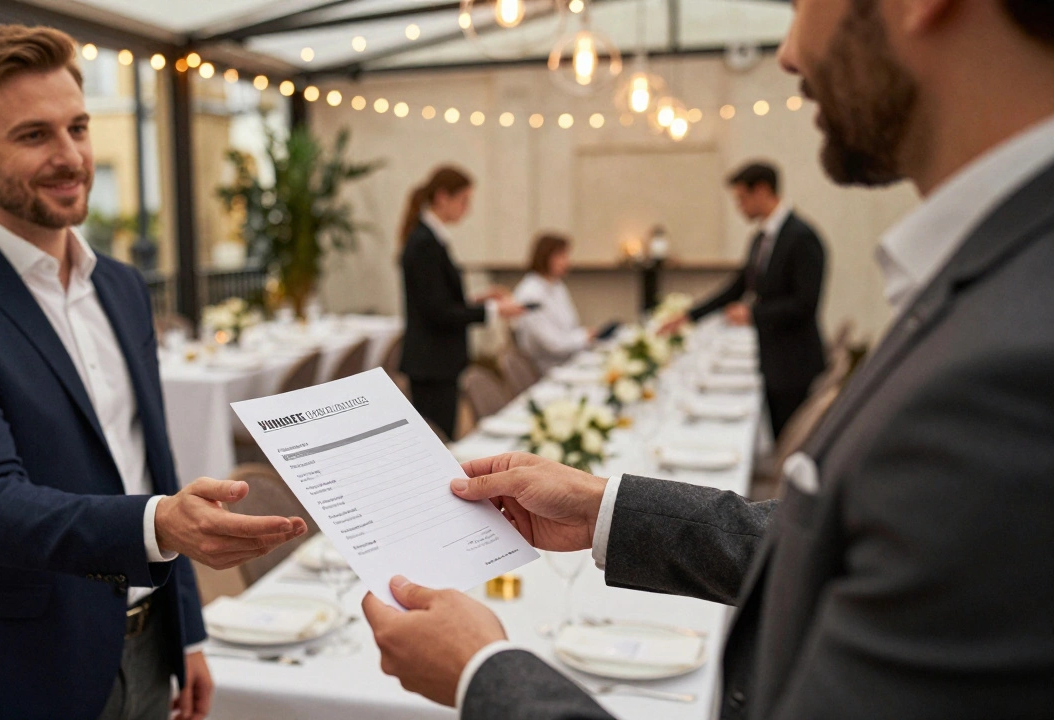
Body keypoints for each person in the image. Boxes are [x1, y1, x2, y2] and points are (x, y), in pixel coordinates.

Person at [363, 0, 1054, 718]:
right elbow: (848, 549)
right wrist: (607, 509)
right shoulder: (1004, 276)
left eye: (799, 4)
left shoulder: (1013, 370)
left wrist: (486, 675)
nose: (787, 52)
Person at [0, 26, 308, 720]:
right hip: (19, 669)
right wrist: (162, 524)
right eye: (35, 135)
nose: (71, 156)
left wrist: (187, 631)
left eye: (78, 127)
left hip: (145, 644)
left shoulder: (124, 288)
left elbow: (149, 464)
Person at [671, 162, 827, 437]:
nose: (739, 207)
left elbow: (805, 304)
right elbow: (738, 286)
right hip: (772, 357)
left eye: (742, 199)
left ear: (763, 191)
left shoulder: (801, 237)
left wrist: (753, 315)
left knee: (790, 441)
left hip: (794, 362)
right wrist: (689, 315)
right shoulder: (761, 237)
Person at [399, 165, 524, 439]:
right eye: (464, 201)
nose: (467, 209)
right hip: (431, 362)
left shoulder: (433, 239)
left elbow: (437, 298)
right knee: (437, 438)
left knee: (443, 433)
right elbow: (436, 311)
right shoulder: (424, 242)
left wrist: (478, 299)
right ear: (443, 197)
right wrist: (493, 309)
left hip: (438, 360)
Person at [511, 234, 593, 373]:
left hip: (567, 361)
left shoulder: (557, 286)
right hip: (545, 369)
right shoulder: (530, 294)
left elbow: (571, 325)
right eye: (561, 256)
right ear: (545, 257)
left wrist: (586, 335)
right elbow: (552, 344)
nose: (566, 262)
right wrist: (585, 336)